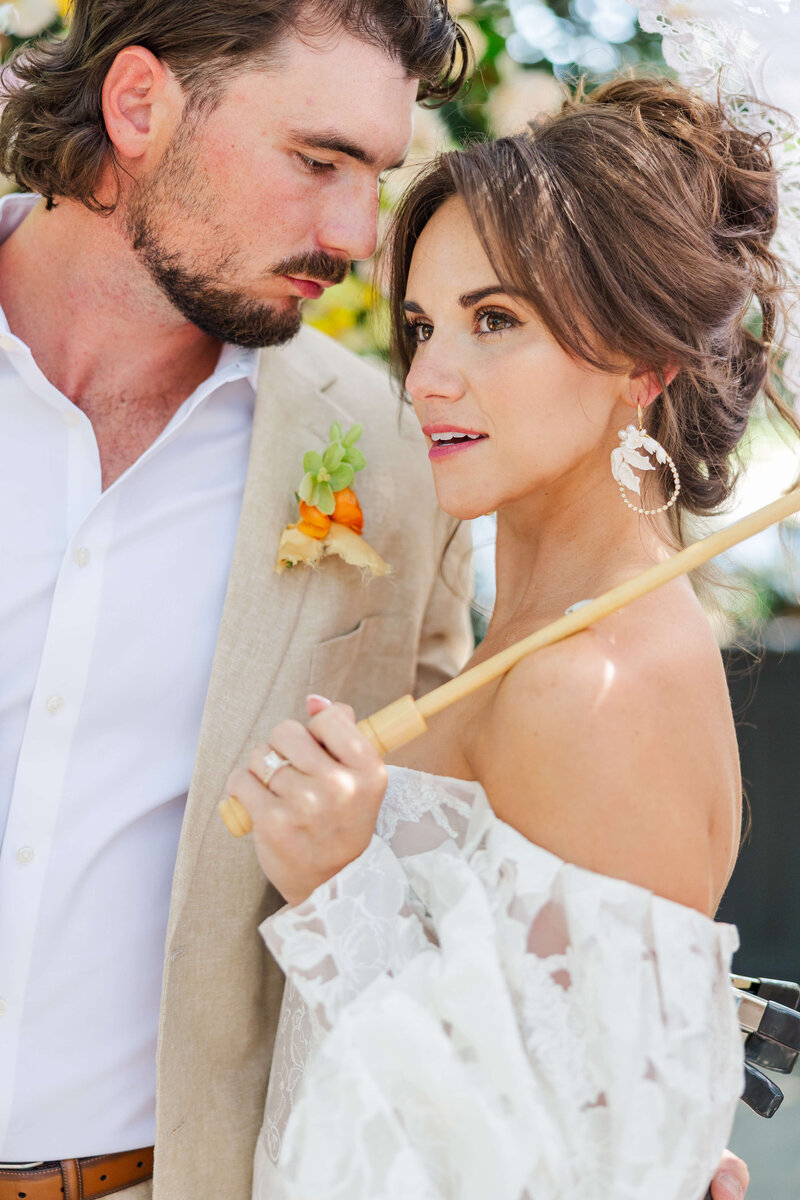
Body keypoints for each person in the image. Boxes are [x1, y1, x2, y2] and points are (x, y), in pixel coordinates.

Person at [227, 76, 800, 1199]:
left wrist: (340, 892)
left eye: (496, 322)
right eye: (423, 325)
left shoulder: (593, 684)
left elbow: (563, 1173)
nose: (429, 375)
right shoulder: (534, 638)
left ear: (645, 364)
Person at [0, 4, 476, 1200]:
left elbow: (444, 876)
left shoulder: (392, 458)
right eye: (316, 161)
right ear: (139, 106)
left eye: (373, 177)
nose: (355, 233)